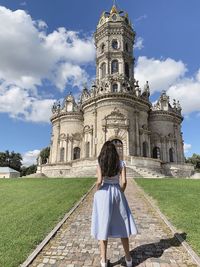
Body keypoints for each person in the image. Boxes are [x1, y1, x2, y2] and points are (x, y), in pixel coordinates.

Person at [91, 141, 138, 267]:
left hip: (103, 193)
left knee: (103, 226)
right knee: (122, 225)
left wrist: (97, 192)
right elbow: (124, 182)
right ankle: (128, 260)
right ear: (115, 152)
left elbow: (99, 181)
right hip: (117, 192)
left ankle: (103, 262)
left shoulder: (100, 163)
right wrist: (120, 192)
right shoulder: (121, 163)